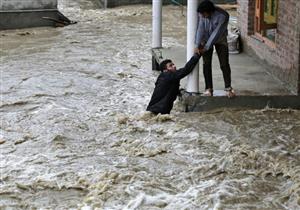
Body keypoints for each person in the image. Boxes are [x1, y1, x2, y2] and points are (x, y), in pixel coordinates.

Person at [195, 0, 235, 98]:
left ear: (210, 12)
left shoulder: (223, 16)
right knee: (206, 64)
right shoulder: (202, 14)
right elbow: (200, 28)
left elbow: (216, 34)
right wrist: (197, 44)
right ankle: (208, 89)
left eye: (204, 14)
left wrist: (207, 47)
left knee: (224, 64)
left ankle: (228, 88)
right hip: (206, 39)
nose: (203, 16)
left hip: (220, 39)